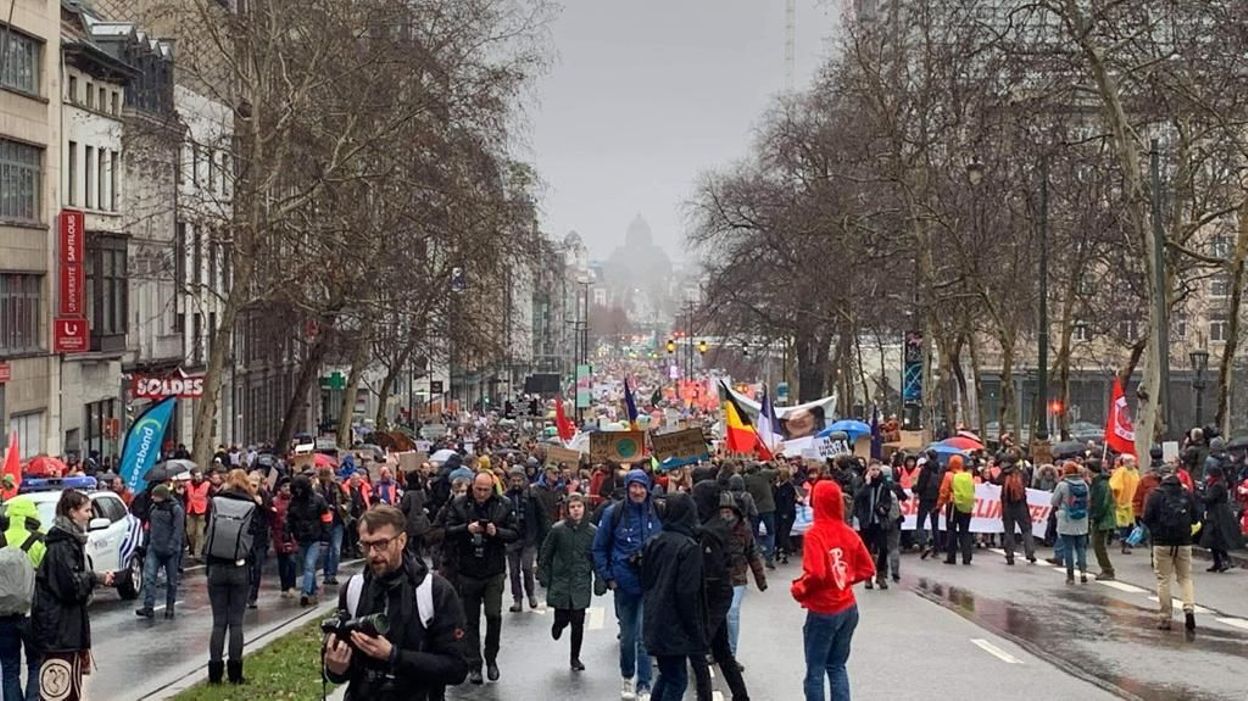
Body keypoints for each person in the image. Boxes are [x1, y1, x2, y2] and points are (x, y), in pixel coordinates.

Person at [323, 506, 469, 700]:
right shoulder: (353, 589)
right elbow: (341, 669)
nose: (373, 554)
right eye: (365, 545)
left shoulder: (434, 591)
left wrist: (394, 656)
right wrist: (335, 669)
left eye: (381, 544)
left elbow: (457, 669)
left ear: (402, 541)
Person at [791, 480, 874, 701]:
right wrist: (845, 579)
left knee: (815, 671)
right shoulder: (848, 532)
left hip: (823, 609)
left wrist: (800, 589)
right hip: (848, 606)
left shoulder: (814, 534)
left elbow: (816, 573)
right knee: (837, 666)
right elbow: (868, 569)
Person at [31, 490, 116, 701]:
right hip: (59, 634)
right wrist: (94, 578)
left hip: (66, 631)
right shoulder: (61, 546)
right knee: (59, 692)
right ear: (72, 512)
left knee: (69, 690)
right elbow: (69, 587)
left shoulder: (70, 542)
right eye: (86, 510)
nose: (90, 515)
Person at [591, 469, 662, 700]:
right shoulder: (614, 513)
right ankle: (627, 676)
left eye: (641, 486)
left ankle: (644, 684)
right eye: (634, 486)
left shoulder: (658, 511)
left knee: (643, 637)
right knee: (628, 637)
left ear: (647, 488)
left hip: (651, 584)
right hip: (624, 584)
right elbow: (599, 547)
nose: (638, 491)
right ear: (628, 487)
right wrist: (608, 576)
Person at [444, 472, 518, 684]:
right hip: (467, 569)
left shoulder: (504, 504)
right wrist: (466, 529)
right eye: (478, 489)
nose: (482, 494)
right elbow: (447, 530)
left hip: (493, 569)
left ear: (492, 488)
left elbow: (515, 532)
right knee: (470, 621)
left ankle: (491, 658)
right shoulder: (459, 504)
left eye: (486, 490)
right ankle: (474, 664)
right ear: (472, 486)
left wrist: (497, 532)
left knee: (494, 615)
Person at [641, 493, 707, 701]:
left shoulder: (654, 541)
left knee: (668, 674)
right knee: (677, 680)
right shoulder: (689, 547)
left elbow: (645, 578)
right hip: (675, 623)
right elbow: (687, 593)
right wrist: (695, 629)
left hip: (654, 616)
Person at [205, 469, 259, 684]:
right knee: (236, 623)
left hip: (216, 567)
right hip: (239, 568)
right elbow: (258, 540)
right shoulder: (252, 506)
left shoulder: (216, 502)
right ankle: (235, 673)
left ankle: (214, 673)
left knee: (218, 623)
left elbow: (209, 533)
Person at [537, 493, 596, 671]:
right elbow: (546, 553)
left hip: (580, 581)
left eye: (579, 506)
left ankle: (575, 657)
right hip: (561, 581)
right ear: (567, 510)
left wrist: (601, 578)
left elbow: (596, 557)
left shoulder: (592, 532)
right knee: (563, 616)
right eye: (572, 507)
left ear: (584, 509)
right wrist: (543, 573)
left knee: (578, 620)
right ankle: (558, 624)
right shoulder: (558, 530)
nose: (576, 510)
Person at [1143, 467, 1200, 634]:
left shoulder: (1156, 495)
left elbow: (1147, 518)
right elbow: (1196, 517)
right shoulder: (1186, 494)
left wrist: (1156, 531)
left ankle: (1165, 617)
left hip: (1162, 542)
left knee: (1163, 579)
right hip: (1183, 541)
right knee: (1185, 578)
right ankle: (1189, 608)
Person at [1, 495, 46, 701]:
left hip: (2, 613)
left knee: (9, 669)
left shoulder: (1, 538)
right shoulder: (39, 541)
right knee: (35, 663)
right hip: (31, 612)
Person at [721, 490, 767, 658]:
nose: (725, 515)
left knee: (732, 612)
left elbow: (752, 553)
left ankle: (731, 654)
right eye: (722, 512)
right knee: (720, 616)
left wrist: (760, 579)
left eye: (728, 512)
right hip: (718, 579)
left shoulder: (744, 529)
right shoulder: (713, 529)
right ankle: (719, 650)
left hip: (738, 577)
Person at [136, 484, 185, 618]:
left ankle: (170, 608)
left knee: (171, 581)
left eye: (155, 496)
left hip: (171, 551)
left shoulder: (175, 509)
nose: (152, 498)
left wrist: (172, 547)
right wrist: (145, 545)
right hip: (154, 548)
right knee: (149, 578)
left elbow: (178, 530)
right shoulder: (153, 508)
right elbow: (149, 528)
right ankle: (148, 606)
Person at [503, 467, 546, 612]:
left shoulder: (532, 496)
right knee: (514, 571)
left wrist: (543, 535)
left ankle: (531, 594)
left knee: (527, 568)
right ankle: (517, 599)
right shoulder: (505, 497)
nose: (516, 483)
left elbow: (541, 516)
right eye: (514, 480)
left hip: (529, 538)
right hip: (511, 538)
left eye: (519, 480)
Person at [287, 474, 332, 606]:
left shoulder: (318, 500)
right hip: (300, 538)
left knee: (309, 565)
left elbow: (326, 520)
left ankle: (305, 592)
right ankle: (312, 593)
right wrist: (287, 535)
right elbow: (289, 520)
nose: (298, 492)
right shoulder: (294, 502)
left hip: (315, 538)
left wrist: (325, 538)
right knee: (308, 566)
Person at [1199, 465, 1243, 572]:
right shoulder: (1216, 484)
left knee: (1217, 537)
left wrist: (1198, 495)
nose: (1207, 476)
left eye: (1209, 474)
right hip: (1216, 512)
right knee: (1213, 538)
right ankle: (1217, 562)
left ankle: (1225, 560)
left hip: (1218, 514)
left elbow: (1209, 499)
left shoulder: (1217, 486)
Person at [1051, 462, 1090, 585]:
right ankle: (1083, 573)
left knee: (1068, 547)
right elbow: (1088, 501)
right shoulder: (1084, 484)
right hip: (1082, 519)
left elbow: (1054, 501)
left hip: (1067, 519)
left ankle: (1070, 576)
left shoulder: (1062, 485)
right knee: (1081, 547)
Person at [995, 455, 1036, 565]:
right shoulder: (1021, 472)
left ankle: (1009, 555)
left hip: (1007, 505)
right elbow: (1027, 482)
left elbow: (996, 481)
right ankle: (1030, 552)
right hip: (1021, 505)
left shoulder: (1003, 473)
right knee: (1026, 529)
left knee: (1009, 531)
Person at [937, 455, 974, 565]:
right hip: (967, 506)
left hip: (953, 505)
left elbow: (944, 492)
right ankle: (967, 557)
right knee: (965, 531)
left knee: (952, 531)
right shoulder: (968, 476)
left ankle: (951, 557)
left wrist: (939, 505)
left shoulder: (949, 476)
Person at [246, 470, 274, 608]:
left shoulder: (264, 495)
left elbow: (270, 513)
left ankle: (253, 596)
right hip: (247, 535)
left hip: (261, 536)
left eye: (256, 481)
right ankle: (246, 592)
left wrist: (261, 504)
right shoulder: (244, 495)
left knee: (257, 567)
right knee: (246, 567)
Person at [743, 462, 778, 568]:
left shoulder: (746, 478)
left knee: (755, 534)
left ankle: (755, 556)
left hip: (754, 509)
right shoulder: (764, 474)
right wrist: (771, 463)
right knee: (770, 533)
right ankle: (769, 557)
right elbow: (778, 471)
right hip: (767, 508)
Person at [1087, 461, 1117, 581]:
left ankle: (1107, 570)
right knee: (1097, 544)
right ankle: (1106, 569)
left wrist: (1095, 516)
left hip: (1102, 518)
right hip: (1101, 517)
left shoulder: (1101, 485)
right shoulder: (1097, 483)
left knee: (1098, 545)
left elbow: (1101, 504)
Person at [317, 468, 348, 586]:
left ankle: (332, 574)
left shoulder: (338, 487)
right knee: (326, 550)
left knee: (336, 549)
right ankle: (326, 574)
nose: (334, 475)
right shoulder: (317, 488)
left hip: (337, 521)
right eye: (332, 473)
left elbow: (347, 499)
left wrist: (344, 507)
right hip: (324, 523)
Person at [270, 478, 299, 597]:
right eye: (284, 486)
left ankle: (292, 586)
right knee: (282, 562)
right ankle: (284, 587)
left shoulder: (295, 500)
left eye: (289, 486)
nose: (287, 488)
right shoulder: (274, 501)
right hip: (279, 534)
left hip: (292, 534)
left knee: (292, 561)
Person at [914, 453, 944, 558]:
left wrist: (915, 489)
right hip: (935, 499)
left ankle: (924, 544)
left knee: (920, 523)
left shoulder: (925, 469)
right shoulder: (940, 469)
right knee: (935, 525)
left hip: (925, 498)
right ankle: (936, 550)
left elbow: (921, 485)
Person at [1109, 455, 1141, 554]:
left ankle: (1128, 542)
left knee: (1130, 524)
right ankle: (1124, 544)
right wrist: (1114, 500)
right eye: (1131, 461)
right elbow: (1114, 487)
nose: (1133, 463)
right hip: (1121, 503)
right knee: (1123, 525)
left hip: (1132, 502)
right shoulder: (1121, 471)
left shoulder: (1135, 472)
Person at [185, 469, 212, 561]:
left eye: (200, 475)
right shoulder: (188, 484)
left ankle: (198, 554)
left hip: (202, 511)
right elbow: (185, 496)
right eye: (196, 476)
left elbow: (211, 496)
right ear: (192, 476)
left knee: (200, 533)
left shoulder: (207, 485)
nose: (199, 478)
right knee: (190, 532)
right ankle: (193, 548)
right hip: (190, 510)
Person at [774, 466, 799, 565]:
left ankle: (784, 552)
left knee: (784, 533)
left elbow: (789, 502)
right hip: (778, 513)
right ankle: (780, 550)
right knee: (779, 532)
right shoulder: (777, 486)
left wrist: (786, 513)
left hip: (786, 514)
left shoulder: (789, 487)